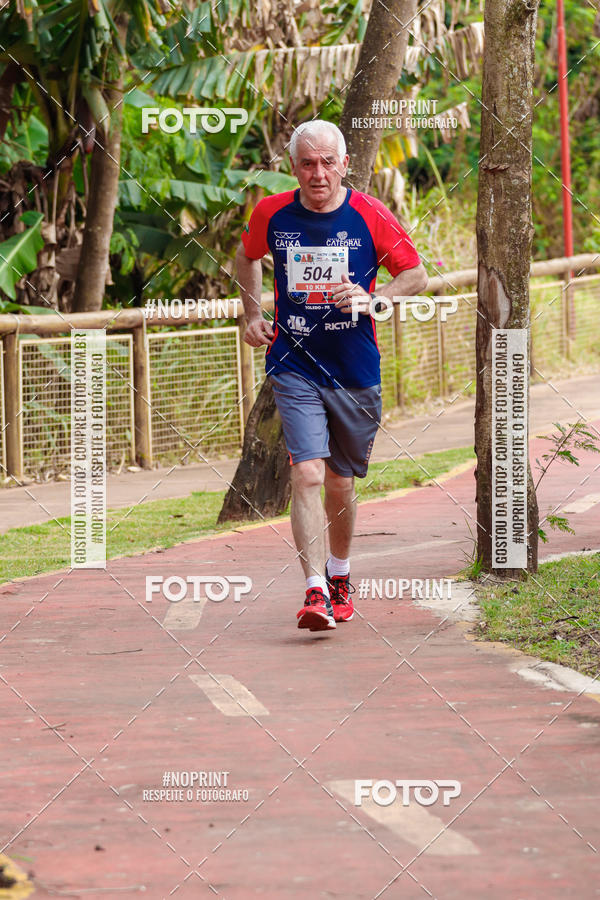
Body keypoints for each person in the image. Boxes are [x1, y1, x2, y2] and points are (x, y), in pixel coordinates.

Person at [236, 119, 428, 632]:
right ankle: (314, 589)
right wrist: (252, 312)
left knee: (340, 483)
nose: (317, 173)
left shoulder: (368, 214)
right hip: (294, 363)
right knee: (308, 473)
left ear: (344, 164)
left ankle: (340, 573)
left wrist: (375, 300)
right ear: (293, 166)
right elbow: (248, 255)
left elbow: (415, 273)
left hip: (354, 369)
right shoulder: (271, 212)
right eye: (307, 163)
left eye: (327, 163)